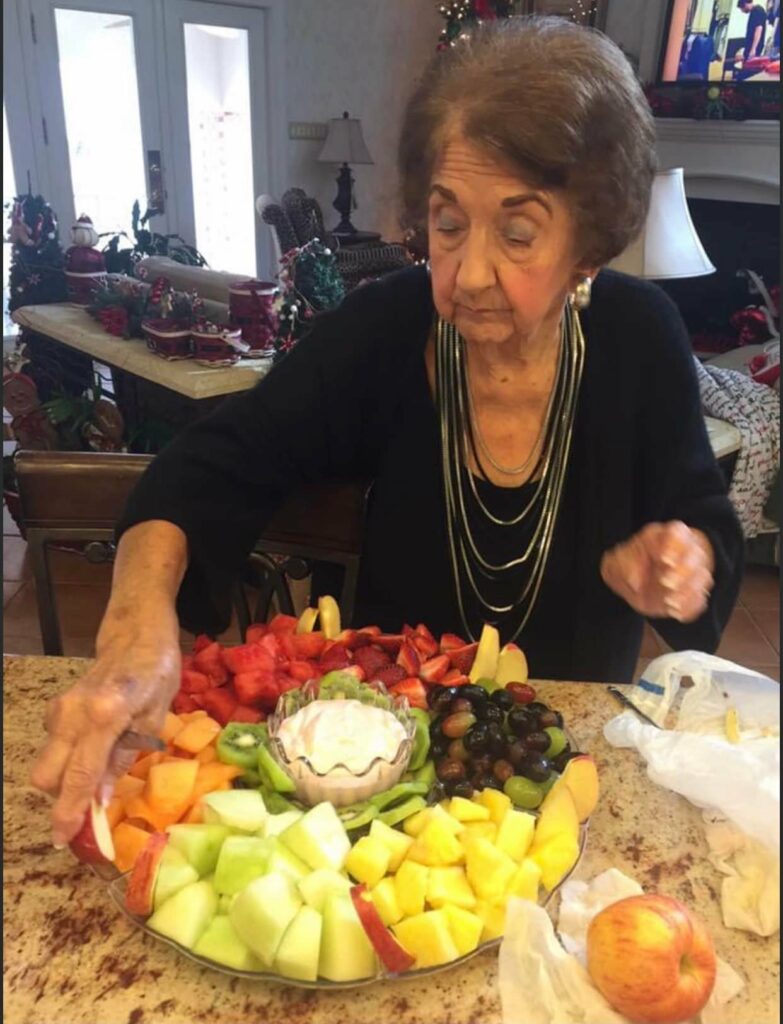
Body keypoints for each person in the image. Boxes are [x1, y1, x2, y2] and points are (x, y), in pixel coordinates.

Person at [32, 17, 743, 847]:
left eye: (516, 234)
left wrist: (683, 564)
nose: (469, 272)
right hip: (375, 780)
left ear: (587, 241)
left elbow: (705, 528)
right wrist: (134, 629)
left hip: (563, 784)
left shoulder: (640, 341)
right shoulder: (385, 329)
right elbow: (216, 462)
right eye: (446, 224)